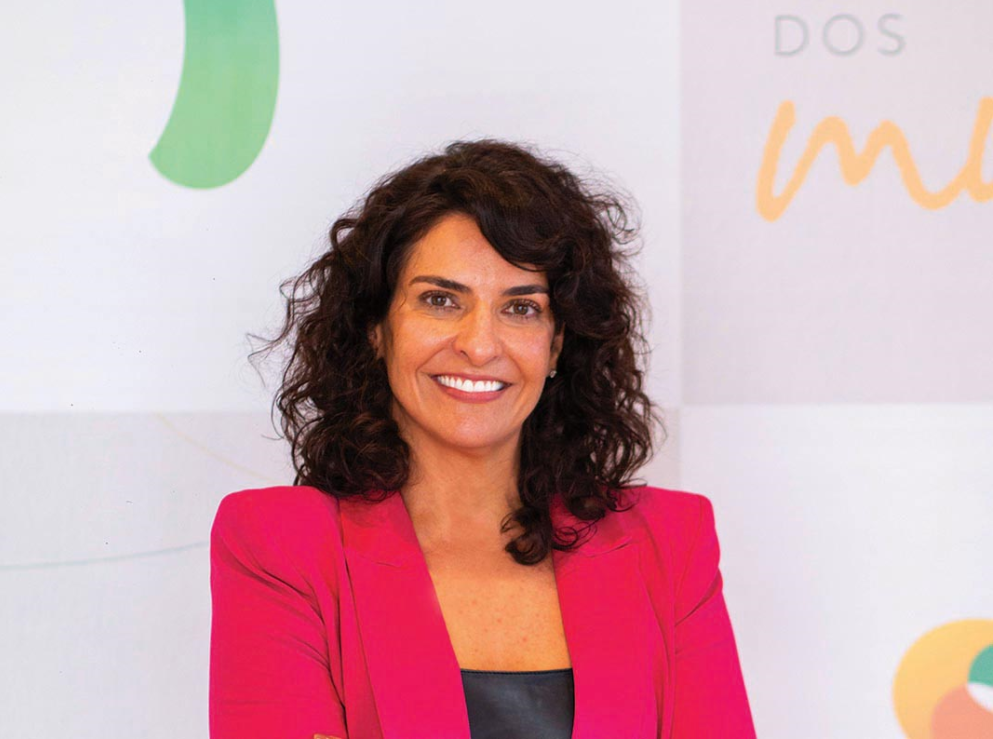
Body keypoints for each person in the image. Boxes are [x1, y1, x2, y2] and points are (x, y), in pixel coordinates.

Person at [208, 139, 756, 738]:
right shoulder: (279, 547)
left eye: (521, 309)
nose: (479, 345)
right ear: (376, 329)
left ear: (557, 344)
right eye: (440, 300)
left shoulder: (670, 546)